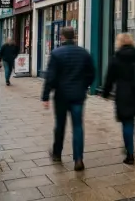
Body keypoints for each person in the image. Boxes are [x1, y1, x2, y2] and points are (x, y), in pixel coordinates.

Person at [41, 27, 94, 171]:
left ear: (62, 37)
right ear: (74, 37)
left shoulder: (56, 53)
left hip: (61, 96)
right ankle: (78, 159)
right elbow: (91, 73)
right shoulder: (83, 53)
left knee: (60, 125)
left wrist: (45, 96)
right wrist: (84, 86)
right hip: (78, 95)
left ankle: (57, 153)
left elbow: (50, 77)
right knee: (77, 126)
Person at [102, 33, 135, 165]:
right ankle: (129, 144)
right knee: (131, 119)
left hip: (123, 94)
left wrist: (106, 92)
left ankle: (130, 153)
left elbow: (110, 77)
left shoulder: (116, 57)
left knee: (126, 122)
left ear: (119, 43)